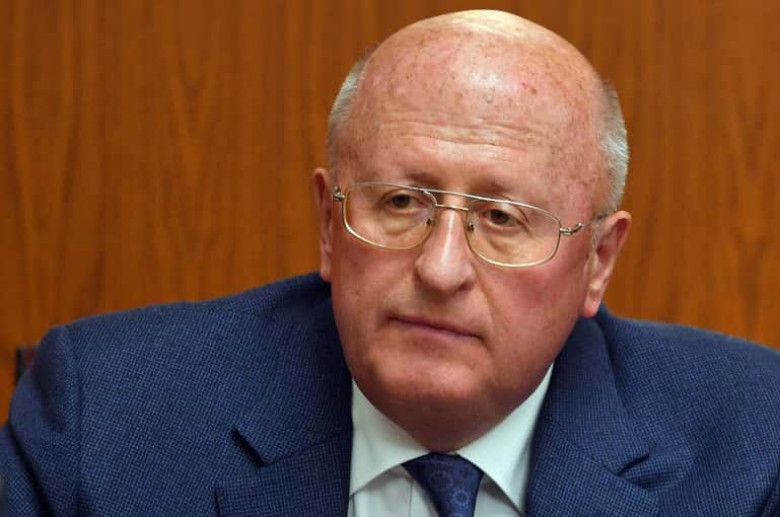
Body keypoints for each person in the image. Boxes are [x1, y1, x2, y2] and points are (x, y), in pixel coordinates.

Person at [2, 9, 779, 517]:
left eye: (502, 218)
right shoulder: (104, 419)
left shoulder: (755, 445)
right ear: (329, 225)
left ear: (598, 261)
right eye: (402, 202)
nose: (440, 269)